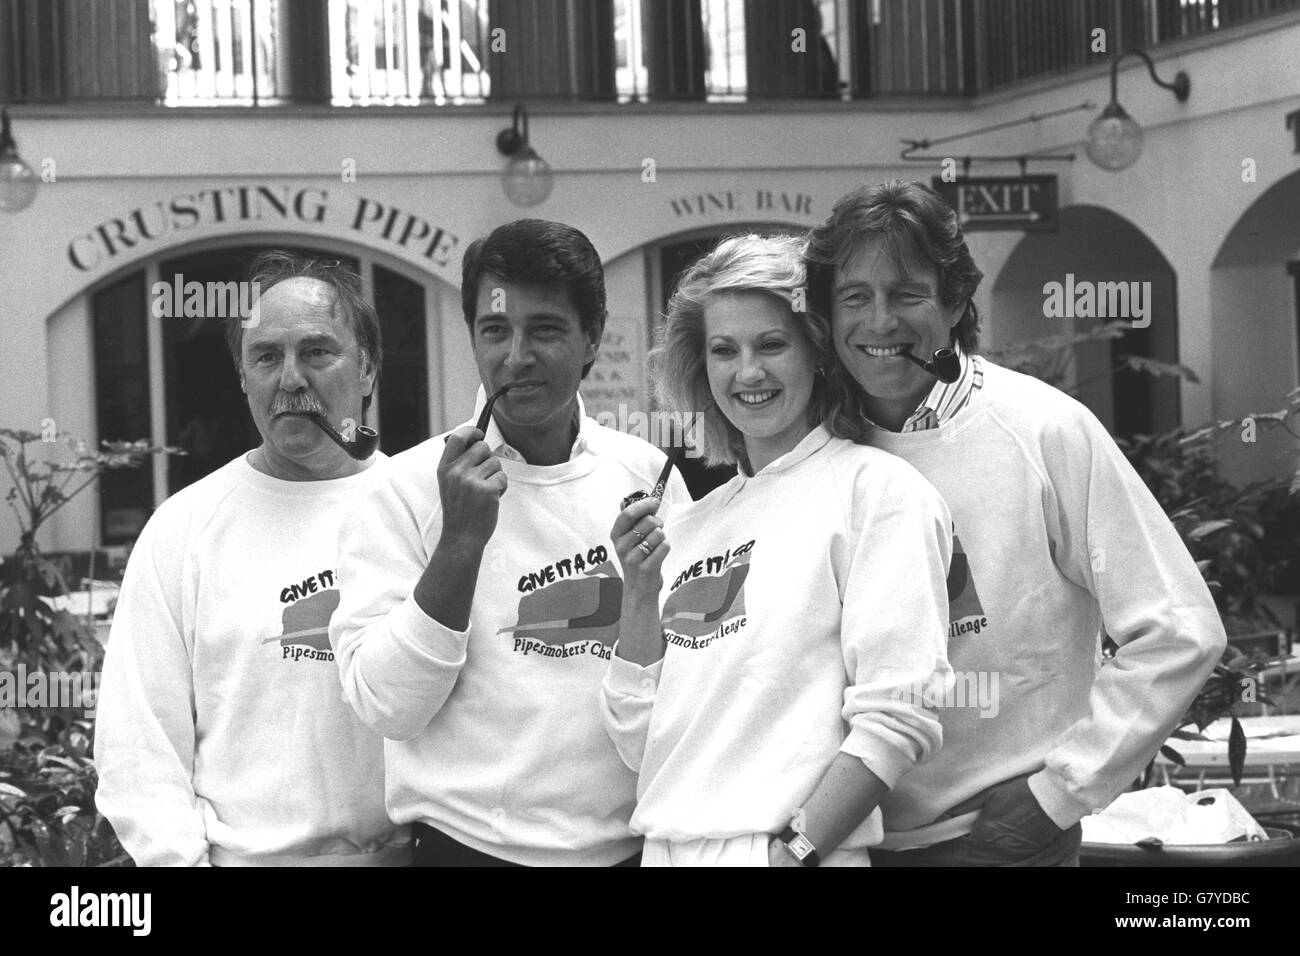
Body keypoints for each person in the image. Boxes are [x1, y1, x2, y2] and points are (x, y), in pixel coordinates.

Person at [804, 180, 1228, 865]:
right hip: (839, 843)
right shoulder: (819, 445)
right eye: (854, 297)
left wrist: (1059, 795)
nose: (879, 322)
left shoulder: (1042, 429)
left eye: (907, 294)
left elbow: (1179, 629)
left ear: (955, 303)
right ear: (826, 316)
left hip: (999, 841)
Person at [330, 219, 690, 866]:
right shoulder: (403, 490)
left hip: (630, 851)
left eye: (545, 329)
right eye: (494, 329)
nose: (515, 355)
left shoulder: (647, 477)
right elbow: (387, 707)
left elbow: (689, 686)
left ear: (593, 338)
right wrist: (460, 545)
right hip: (464, 850)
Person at [601, 234, 954, 867]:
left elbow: (901, 715)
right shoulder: (691, 522)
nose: (749, 373)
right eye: (723, 351)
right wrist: (638, 590)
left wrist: (793, 854)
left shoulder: (876, 492)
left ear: (817, 350)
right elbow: (638, 739)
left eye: (771, 344)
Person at [95, 251, 409, 866]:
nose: (290, 378)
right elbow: (138, 744)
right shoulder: (182, 531)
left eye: (317, 351)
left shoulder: (424, 514)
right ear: (243, 376)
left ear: (367, 369)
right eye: (266, 356)